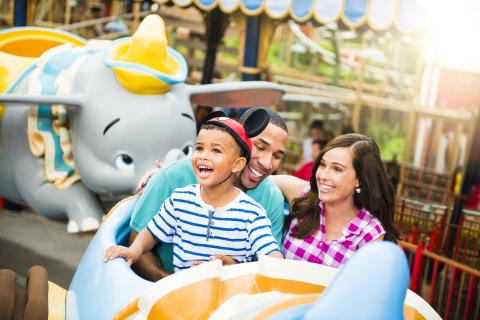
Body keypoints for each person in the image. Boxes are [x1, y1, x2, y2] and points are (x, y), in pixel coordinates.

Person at [105, 112, 283, 271]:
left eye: (216, 151)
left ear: (237, 163)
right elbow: (152, 232)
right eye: (199, 148)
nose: (204, 155)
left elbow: (269, 252)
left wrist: (245, 269)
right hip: (181, 292)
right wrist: (134, 250)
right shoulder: (181, 198)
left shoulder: (252, 212)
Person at [272, 133, 400, 268]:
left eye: (337, 169)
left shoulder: (369, 233)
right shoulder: (304, 195)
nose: (323, 176)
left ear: (359, 180)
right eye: (322, 165)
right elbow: (259, 180)